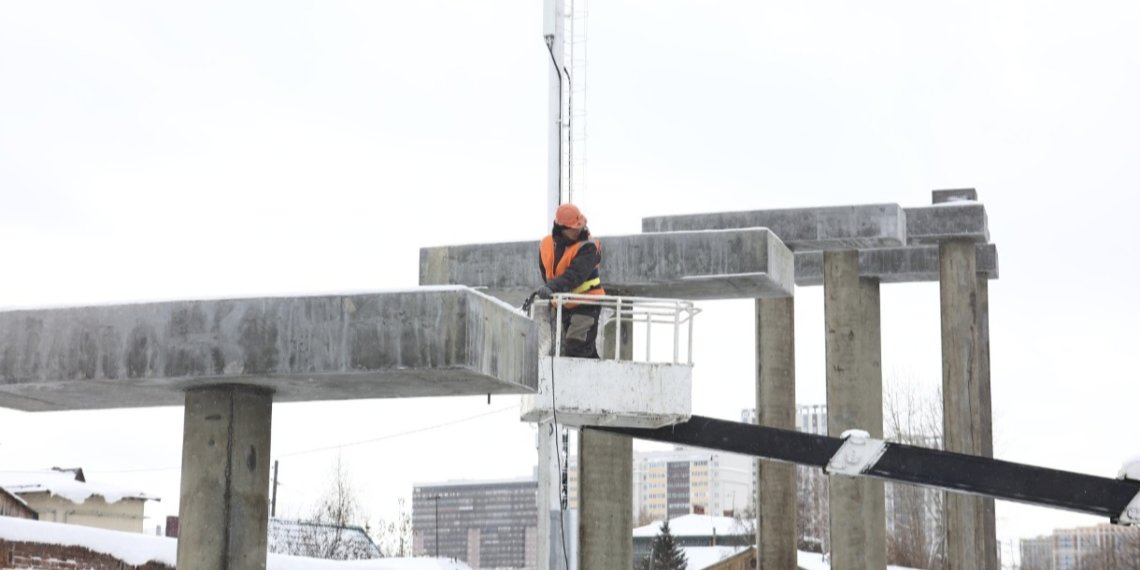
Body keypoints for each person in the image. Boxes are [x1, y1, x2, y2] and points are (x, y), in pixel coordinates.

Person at [532, 203, 605, 359]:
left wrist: (551, 287)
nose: (578, 230)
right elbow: (546, 272)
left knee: (577, 346)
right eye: (574, 227)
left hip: (586, 303)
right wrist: (550, 290)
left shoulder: (589, 247)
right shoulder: (546, 245)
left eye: (579, 226)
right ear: (562, 229)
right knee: (580, 349)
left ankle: (594, 379)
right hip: (563, 305)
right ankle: (602, 379)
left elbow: (574, 276)